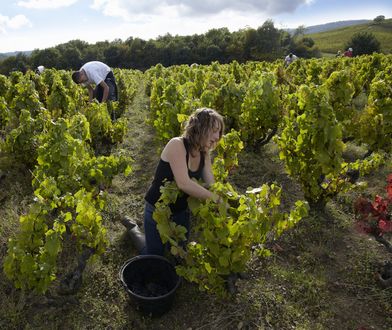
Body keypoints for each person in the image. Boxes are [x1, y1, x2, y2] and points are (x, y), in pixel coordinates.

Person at [122, 108, 225, 256]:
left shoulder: (204, 154)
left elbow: (211, 185)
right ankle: (133, 229)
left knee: (179, 255)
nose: (217, 137)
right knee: (154, 256)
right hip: (157, 210)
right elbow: (184, 183)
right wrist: (215, 199)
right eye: (214, 130)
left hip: (180, 212)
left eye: (219, 132)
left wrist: (227, 200)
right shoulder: (177, 145)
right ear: (200, 127)